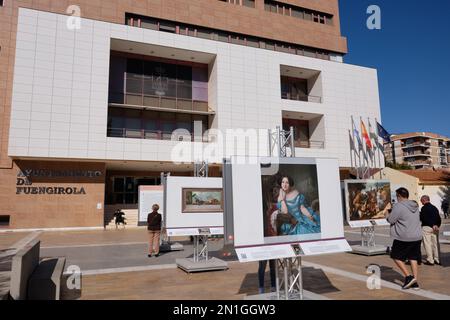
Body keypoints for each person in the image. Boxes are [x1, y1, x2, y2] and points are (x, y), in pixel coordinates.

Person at [385, 188, 422, 290]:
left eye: (396, 196)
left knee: (395, 256)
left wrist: (386, 214)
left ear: (399, 196)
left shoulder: (399, 206)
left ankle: (409, 277)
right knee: (413, 258)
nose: (396, 198)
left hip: (404, 237)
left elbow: (391, 220)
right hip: (417, 236)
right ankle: (415, 282)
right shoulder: (415, 205)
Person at [420, 195, 441, 266]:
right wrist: (437, 225)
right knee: (436, 244)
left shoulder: (423, 208)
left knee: (427, 244)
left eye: (421, 201)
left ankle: (430, 260)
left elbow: (423, 218)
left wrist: (432, 225)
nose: (421, 202)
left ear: (423, 200)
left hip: (427, 227)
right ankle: (437, 259)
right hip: (435, 228)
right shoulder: (435, 208)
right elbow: (439, 218)